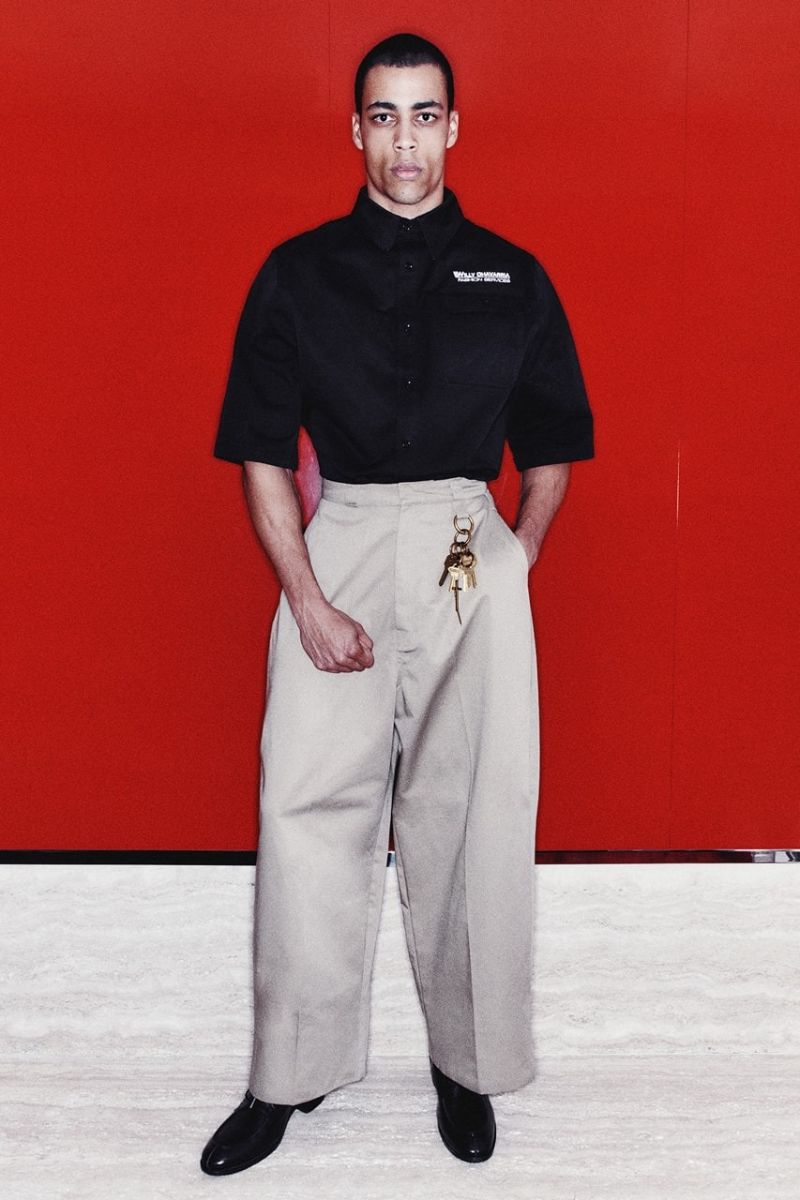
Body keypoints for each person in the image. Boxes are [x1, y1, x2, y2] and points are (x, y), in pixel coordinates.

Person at [200, 32, 593, 1174]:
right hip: (345, 538)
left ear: (453, 128)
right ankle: (290, 1072)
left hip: (468, 537)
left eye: (425, 115)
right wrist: (308, 598)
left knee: (474, 812)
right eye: (384, 116)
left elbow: (554, 447)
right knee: (304, 805)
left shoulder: (514, 277)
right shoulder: (297, 273)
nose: (404, 140)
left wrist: (510, 563)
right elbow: (261, 453)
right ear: (356, 129)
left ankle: (467, 1065)